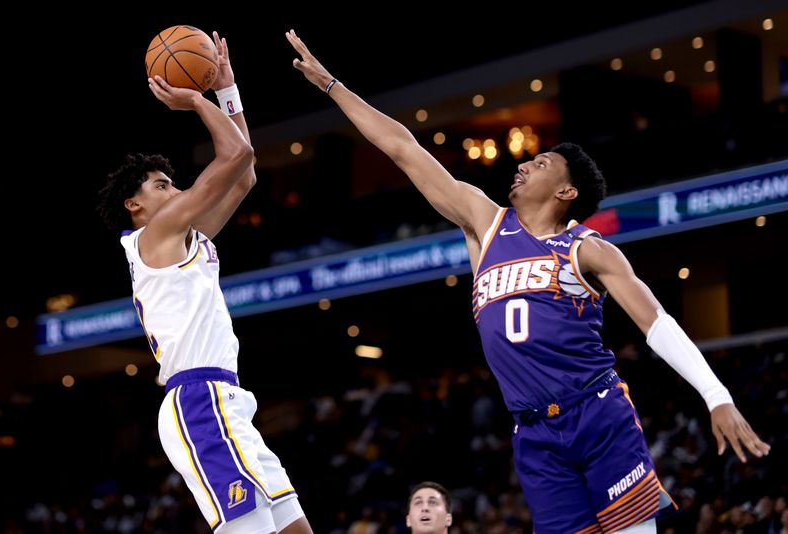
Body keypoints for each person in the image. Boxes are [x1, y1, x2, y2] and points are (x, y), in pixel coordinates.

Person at [285, 30, 771, 534]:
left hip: (597, 413)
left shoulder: (589, 250)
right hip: (534, 434)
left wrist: (717, 397)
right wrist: (331, 85)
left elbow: (656, 321)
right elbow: (403, 149)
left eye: (539, 164)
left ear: (566, 190)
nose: (522, 164)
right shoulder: (485, 223)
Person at [98, 32, 313, 534]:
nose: (174, 191)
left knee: (296, 530)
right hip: (198, 400)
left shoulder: (181, 236)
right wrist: (198, 98)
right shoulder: (155, 235)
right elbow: (234, 155)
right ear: (136, 206)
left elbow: (245, 174)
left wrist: (228, 88)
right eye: (161, 185)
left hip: (228, 400)